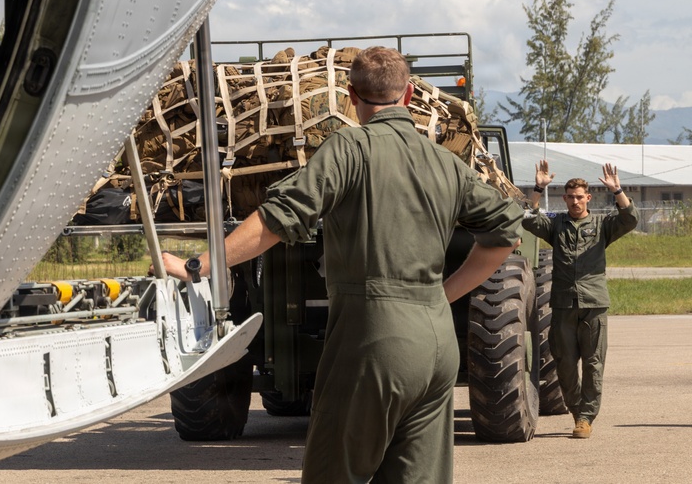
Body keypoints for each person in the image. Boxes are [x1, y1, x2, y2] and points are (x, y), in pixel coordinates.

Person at [162, 47, 523, 483]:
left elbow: (278, 218)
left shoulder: (350, 147)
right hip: (437, 347)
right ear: (409, 95)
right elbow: (507, 233)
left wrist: (198, 267)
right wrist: (443, 295)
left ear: (351, 95)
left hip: (373, 340)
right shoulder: (445, 163)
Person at [524, 160, 638, 439]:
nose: (575, 201)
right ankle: (576, 411)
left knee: (593, 362)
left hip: (593, 304)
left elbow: (630, 219)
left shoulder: (601, 225)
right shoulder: (556, 224)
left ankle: (586, 417)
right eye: (571, 197)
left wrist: (617, 190)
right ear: (564, 198)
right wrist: (538, 188)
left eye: (580, 197)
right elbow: (528, 219)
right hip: (563, 305)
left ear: (588, 198)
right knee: (564, 362)